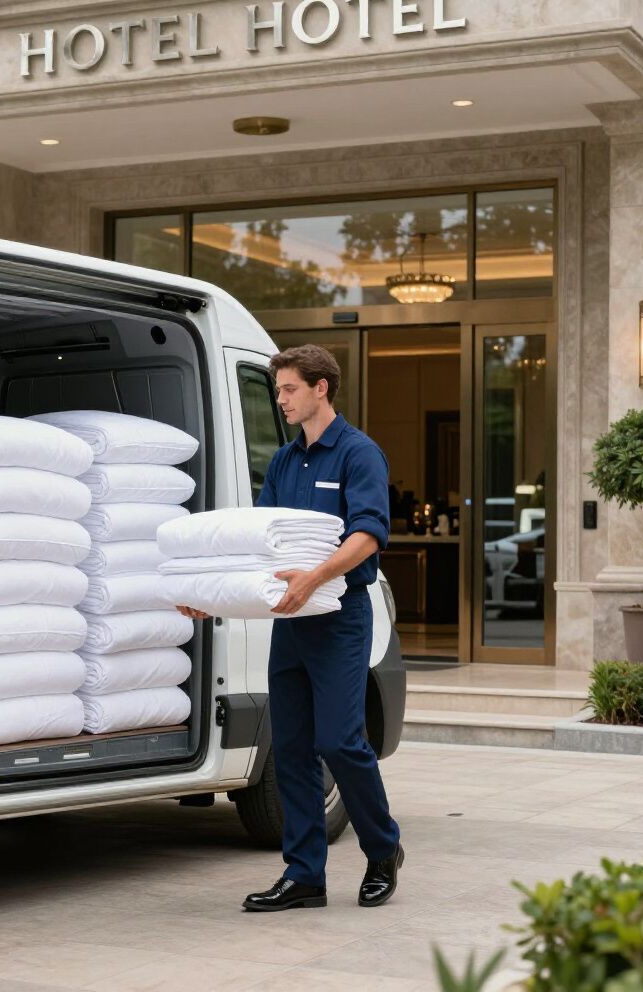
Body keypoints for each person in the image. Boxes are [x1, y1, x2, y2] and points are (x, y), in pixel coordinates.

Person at [177, 344, 403, 912]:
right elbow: (261, 544)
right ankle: (304, 875)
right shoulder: (283, 462)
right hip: (290, 622)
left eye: (288, 390)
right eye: (279, 391)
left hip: (339, 617)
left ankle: (383, 849)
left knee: (341, 742)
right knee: (293, 749)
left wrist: (316, 576)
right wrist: (212, 597)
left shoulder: (359, 454)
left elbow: (368, 535)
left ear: (320, 388)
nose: (280, 400)